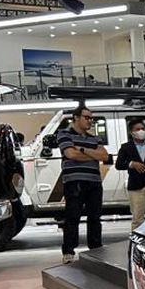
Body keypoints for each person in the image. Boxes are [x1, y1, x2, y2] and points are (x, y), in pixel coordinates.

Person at [57, 103, 108, 264]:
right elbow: (71, 154)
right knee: (72, 217)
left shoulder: (94, 137)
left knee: (95, 217)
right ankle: (68, 251)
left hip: (94, 182)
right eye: (87, 118)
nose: (90, 121)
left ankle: (96, 249)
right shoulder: (64, 134)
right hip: (74, 182)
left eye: (92, 118)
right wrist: (93, 155)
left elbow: (104, 156)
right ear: (76, 118)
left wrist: (83, 150)